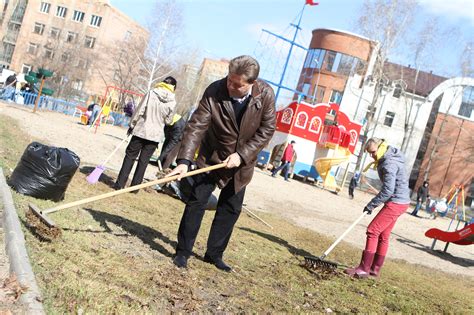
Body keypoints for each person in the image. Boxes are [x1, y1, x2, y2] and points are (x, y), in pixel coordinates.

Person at [167, 55, 276, 271]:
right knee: (196, 202)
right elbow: (197, 125)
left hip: (241, 163)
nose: (231, 86)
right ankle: (183, 252)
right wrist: (184, 160)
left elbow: (267, 130)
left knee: (230, 208)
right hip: (212, 156)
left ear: (252, 84)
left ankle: (214, 254)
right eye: (229, 80)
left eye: (238, 85)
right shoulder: (215, 90)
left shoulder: (265, 95)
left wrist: (242, 155)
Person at [345, 138, 410, 278]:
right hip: (401, 201)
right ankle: (374, 269)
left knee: (372, 230)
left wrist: (371, 205)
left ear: (381, 148)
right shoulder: (390, 158)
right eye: (369, 153)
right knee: (383, 235)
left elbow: (388, 190)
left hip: (396, 202)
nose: (372, 156)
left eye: (373, 152)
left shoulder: (389, 163)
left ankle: (363, 268)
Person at [113, 76, 177, 191]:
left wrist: (132, 125)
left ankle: (119, 184)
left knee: (130, 157)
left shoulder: (151, 93)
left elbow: (140, 110)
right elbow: (168, 121)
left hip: (141, 131)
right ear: (173, 87)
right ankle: (135, 188)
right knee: (144, 161)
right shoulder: (173, 101)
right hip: (155, 135)